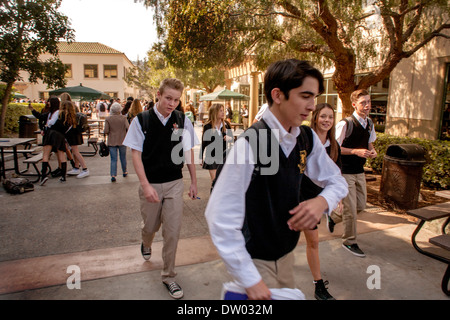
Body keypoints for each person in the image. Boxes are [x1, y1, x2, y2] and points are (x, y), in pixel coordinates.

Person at [205, 59, 348, 300]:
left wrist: (322, 202)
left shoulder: (306, 137)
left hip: (284, 257)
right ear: (278, 95)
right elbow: (219, 217)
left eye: (314, 97)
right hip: (256, 263)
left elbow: (337, 180)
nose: (312, 106)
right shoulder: (250, 144)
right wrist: (251, 280)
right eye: (305, 96)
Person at [123, 78, 199, 299]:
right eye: (168, 98)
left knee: (172, 232)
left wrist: (193, 181)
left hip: (175, 183)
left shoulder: (182, 120)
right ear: (158, 94)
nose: (172, 103)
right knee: (150, 226)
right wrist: (145, 185)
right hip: (151, 183)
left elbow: (188, 152)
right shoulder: (142, 120)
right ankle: (146, 242)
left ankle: (169, 277)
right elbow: (135, 154)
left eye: (176, 100)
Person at [299, 103, 342, 300]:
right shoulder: (304, 139)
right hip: (298, 195)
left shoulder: (334, 146)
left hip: (317, 199)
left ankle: (318, 285)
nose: (327, 120)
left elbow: (336, 175)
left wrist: (336, 198)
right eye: (323, 116)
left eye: (330, 117)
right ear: (315, 117)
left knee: (313, 241)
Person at [329, 89, 377, 258]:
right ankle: (350, 241)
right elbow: (335, 148)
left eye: (369, 102)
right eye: (363, 102)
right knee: (350, 209)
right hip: (345, 171)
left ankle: (333, 217)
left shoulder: (369, 123)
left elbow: (370, 144)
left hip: (359, 171)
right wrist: (355, 151)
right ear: (354, 104)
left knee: (360, 206)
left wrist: (372, 151)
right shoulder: (346, 124)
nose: (367, 106)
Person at [60, 93, 90, 179]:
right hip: (76, 132)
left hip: (71, 133)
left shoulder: (65, 110)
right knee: (75, 151)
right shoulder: (74, 106)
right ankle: (76, 167)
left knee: (75, 151)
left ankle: (84, 168)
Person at [200, 103, 232, 182]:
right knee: (215, 181)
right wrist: (200, 157)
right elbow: (203, 142)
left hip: (224, 156)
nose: (223, 112)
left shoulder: (226, 125)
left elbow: (231, 138)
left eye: (223, 110)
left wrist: (229, 138)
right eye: (220, 111)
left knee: (223, 181)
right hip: (211, 156)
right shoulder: (207, 126)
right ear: (214, 112)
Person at [104, 102, 129, 182]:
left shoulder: (108, 119)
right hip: (122, 140)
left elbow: (106, 130)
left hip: (112, 140)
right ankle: (124, 171)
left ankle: (113, 175)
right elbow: (128, 127)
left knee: (113, 159)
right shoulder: (124, 118)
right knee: (123, 157)